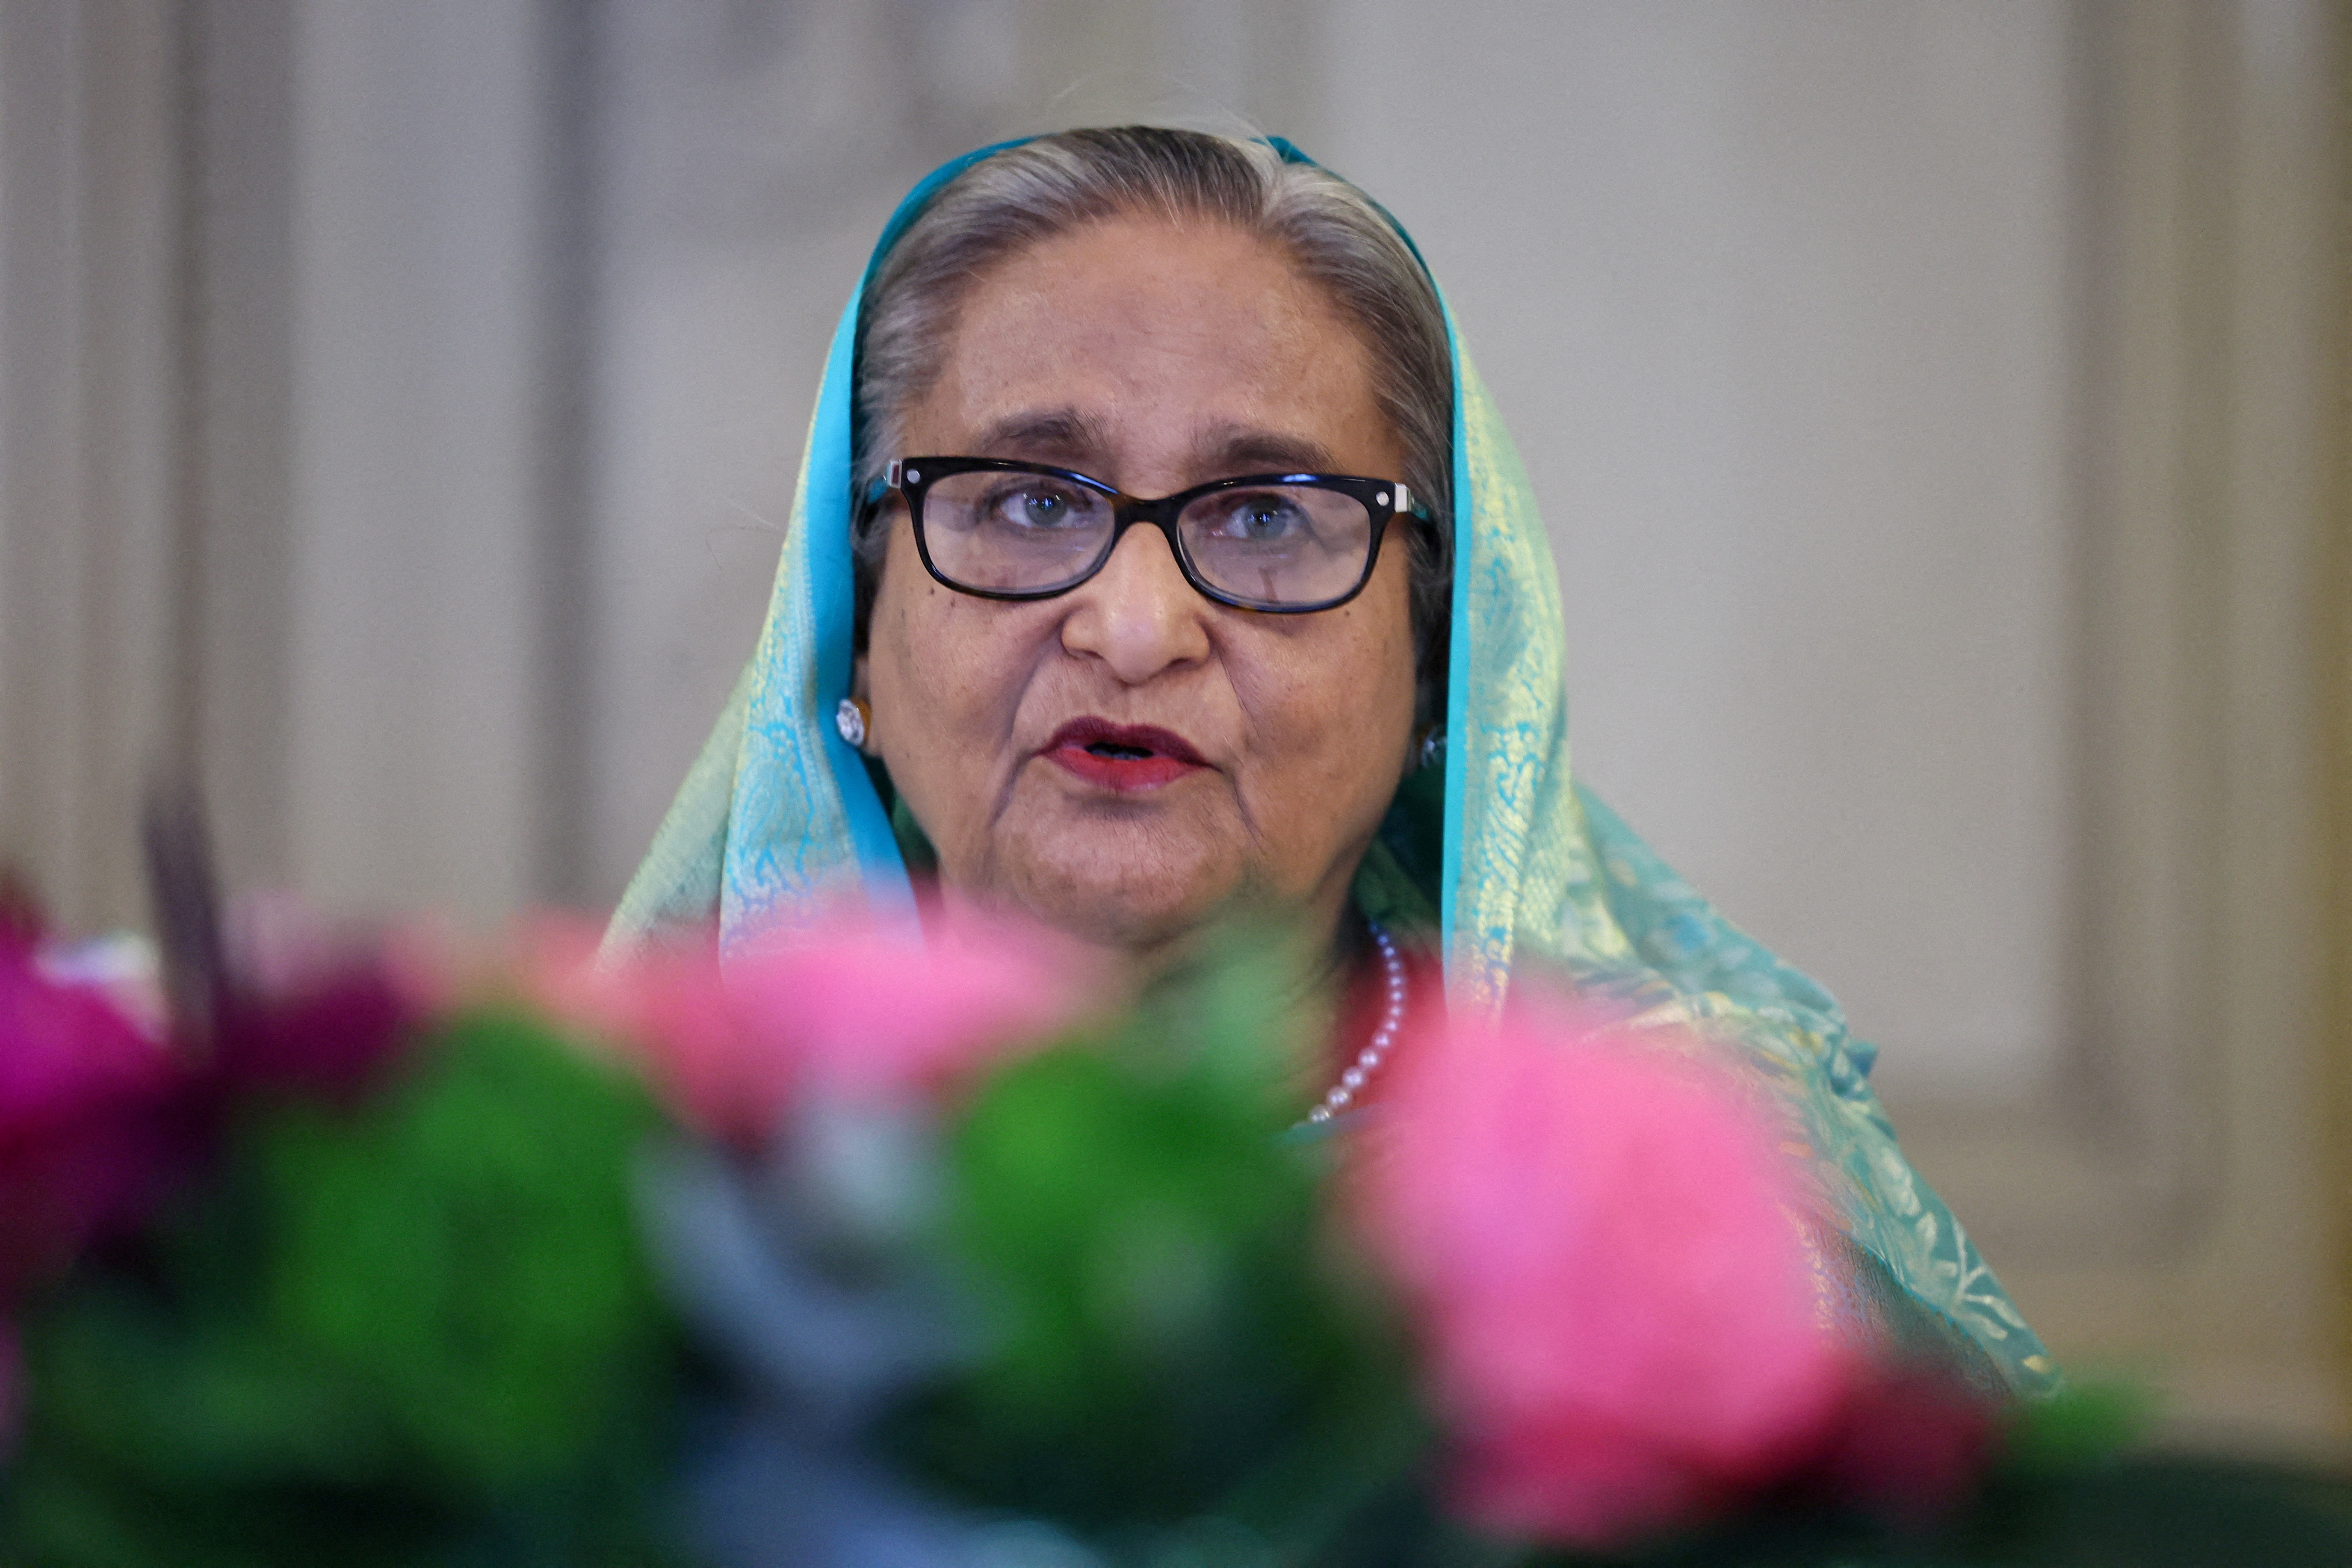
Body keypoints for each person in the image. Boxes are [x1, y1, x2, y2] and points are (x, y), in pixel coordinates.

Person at [607, 126, 2056, 1394]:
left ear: (1436, 656)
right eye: (1027, 500)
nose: (1130, 624)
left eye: (1262, 518)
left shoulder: (1694, 1208)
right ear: (854, 624)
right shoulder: (641, 1177)